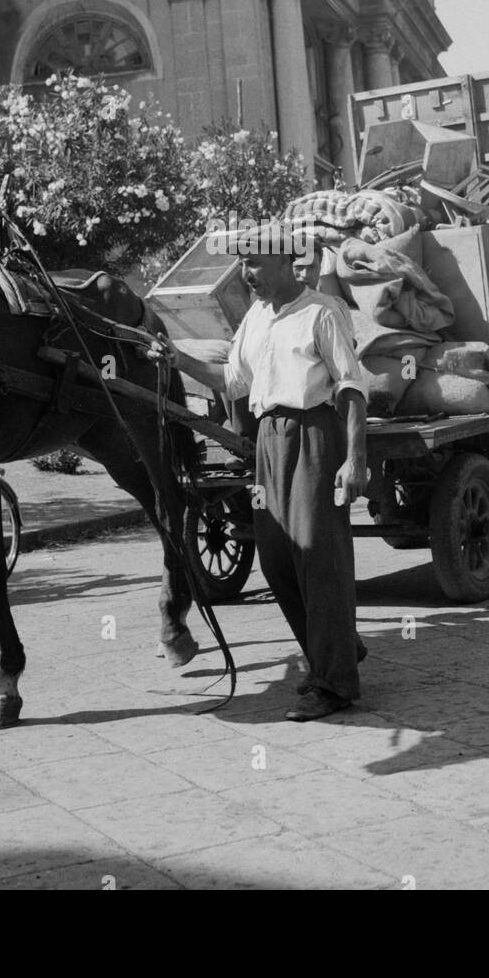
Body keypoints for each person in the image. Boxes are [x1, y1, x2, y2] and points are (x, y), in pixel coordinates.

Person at [154, 225, 369, 721]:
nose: (245, 274)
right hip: (268, 440)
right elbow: (231, 381)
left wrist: (354, 459)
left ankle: (333, 683)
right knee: (276, 559)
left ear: (283, 263)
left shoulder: (322, 311)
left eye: (253, 264)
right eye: (243, 264)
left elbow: (352, 389)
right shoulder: (255, 317)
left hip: (315, 434)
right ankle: (336, 649)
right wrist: (177, 358)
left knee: (318, 557)